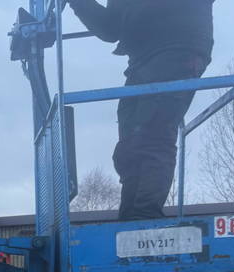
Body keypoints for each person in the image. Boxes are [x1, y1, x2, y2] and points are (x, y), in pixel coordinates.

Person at [68, 0, 214, 220]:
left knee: (153, 133)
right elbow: (110, 28)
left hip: (178, 48)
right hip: (140, 62)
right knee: (129, 143)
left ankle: (145, 215)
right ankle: (130, 216)